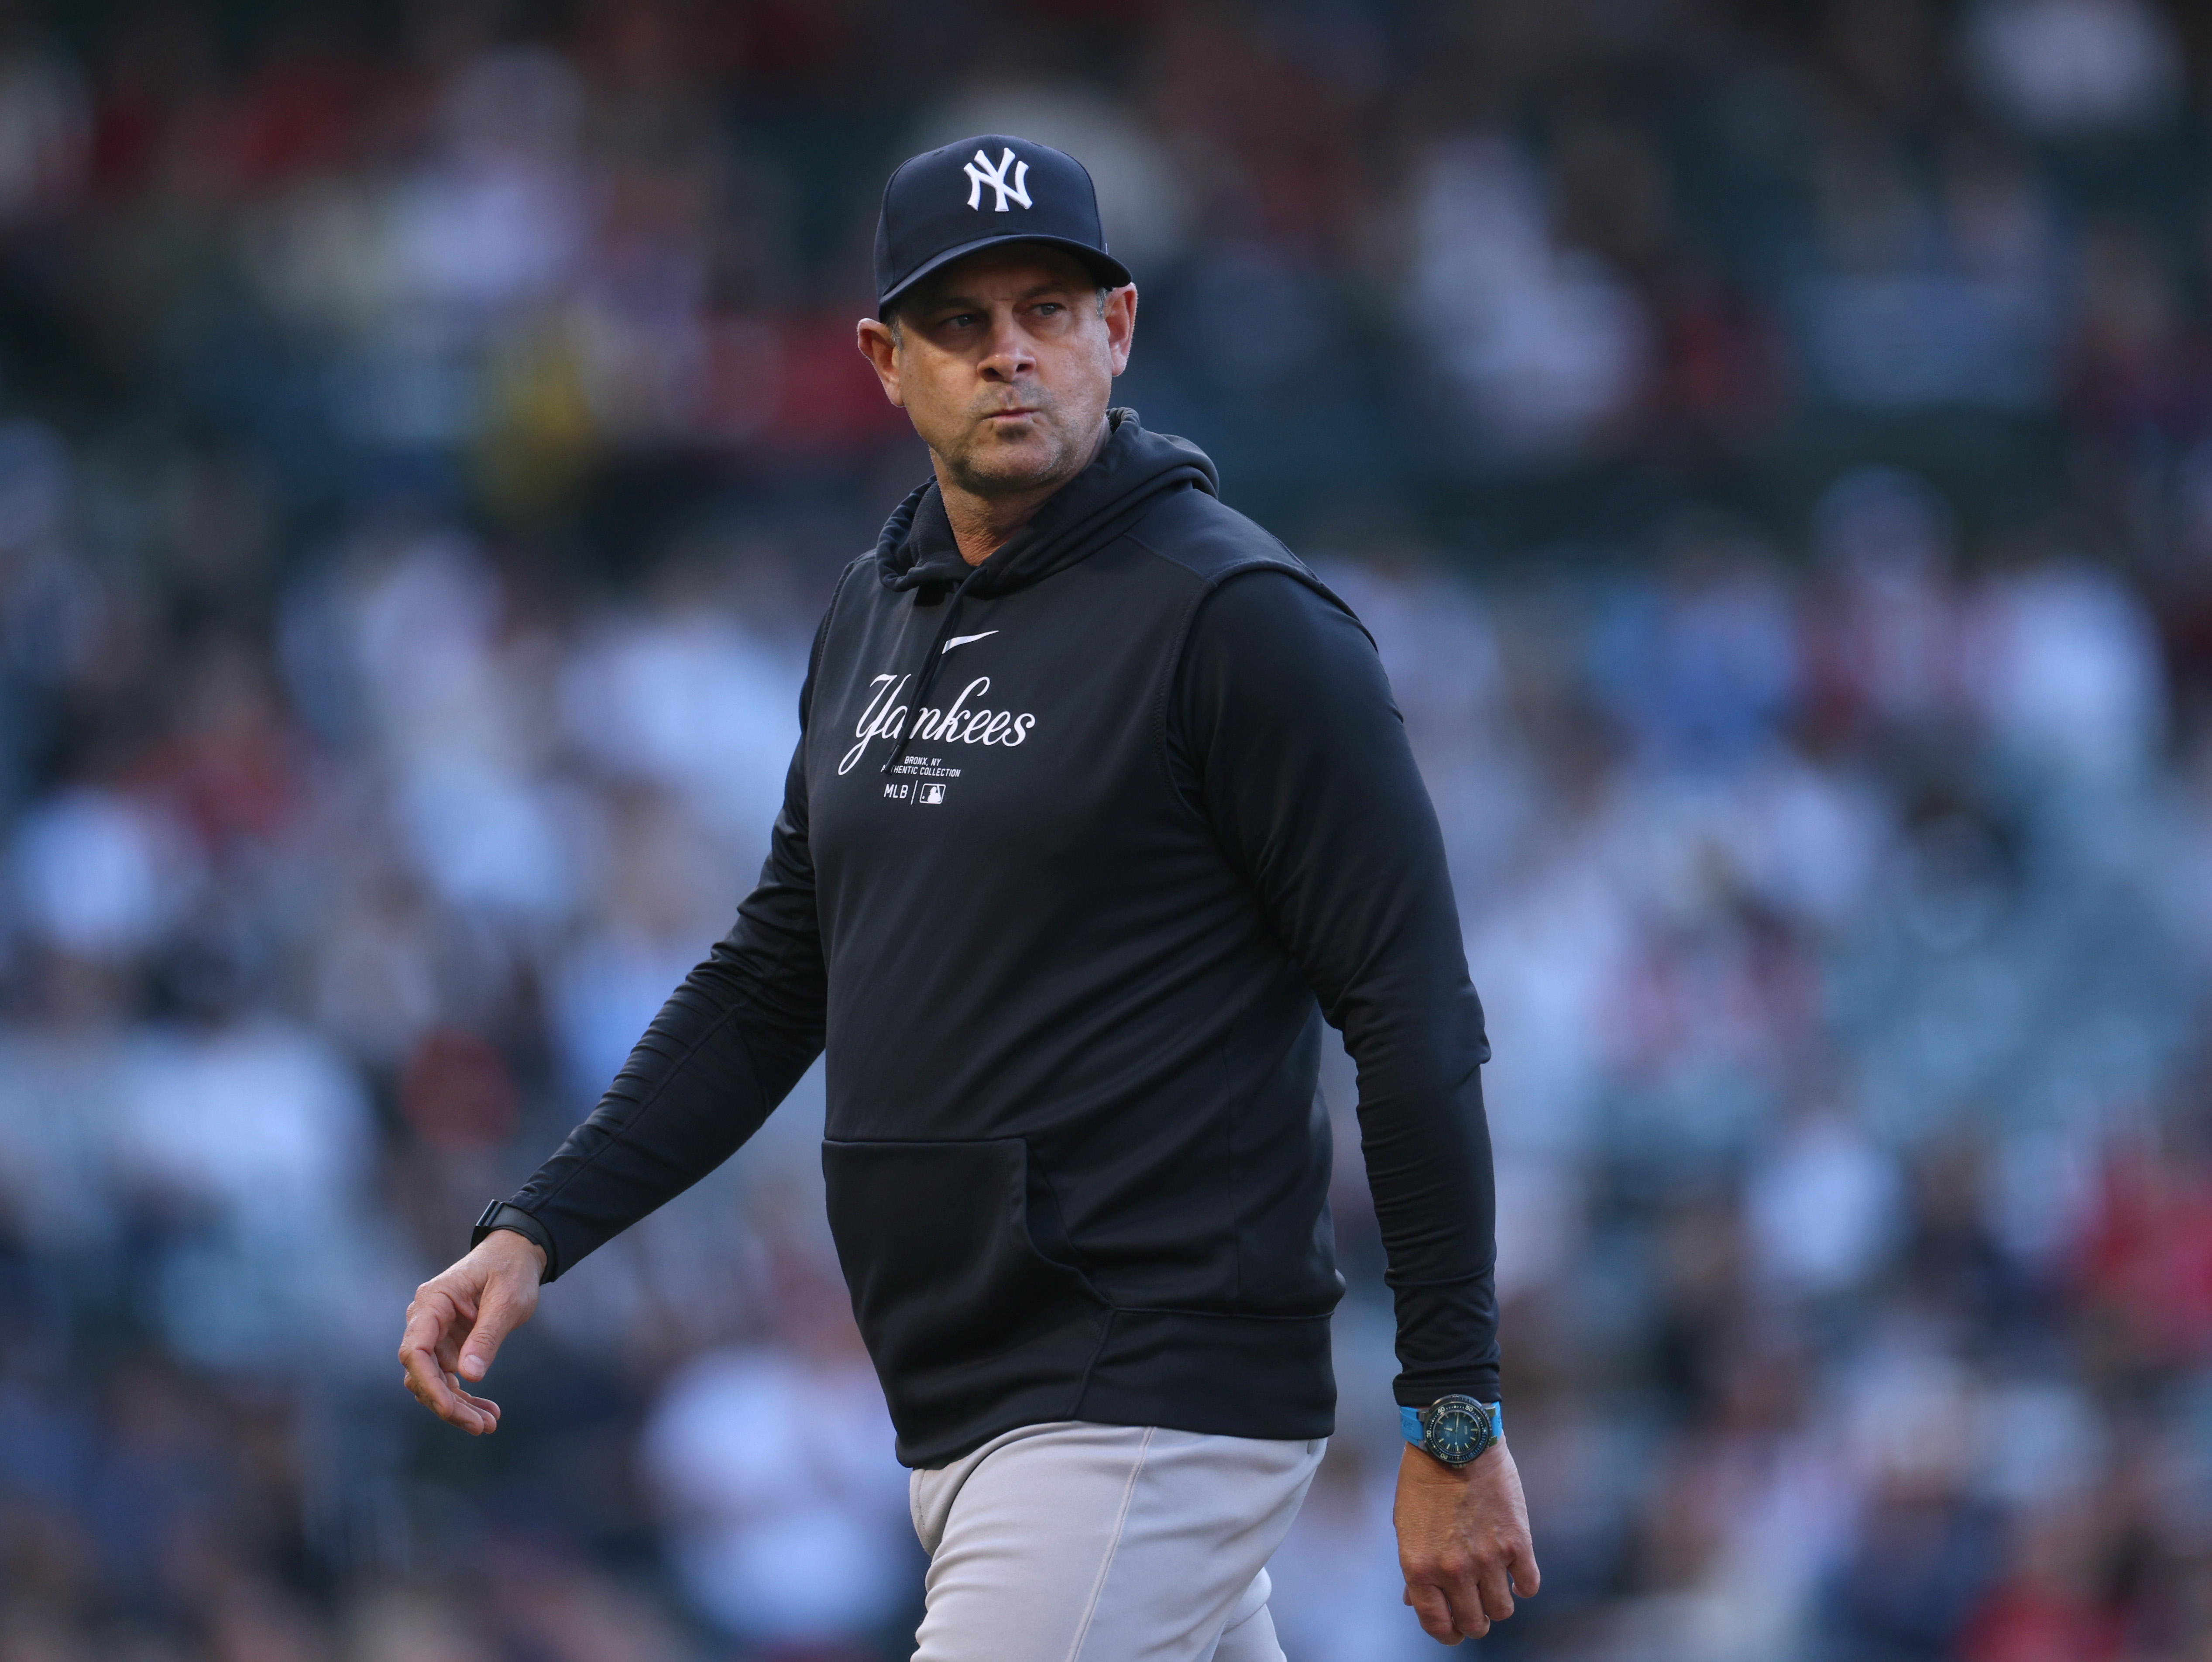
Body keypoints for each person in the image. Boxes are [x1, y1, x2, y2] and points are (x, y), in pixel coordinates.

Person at [398, 133, 1537, 1657]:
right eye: (959, 321)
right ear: (885, 360)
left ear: (1115, 330)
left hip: (1144, 1388)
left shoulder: (1239, 622)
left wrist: (1452, 1410)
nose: (1010, 353)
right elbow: (775, 974)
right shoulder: (873, 610)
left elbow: (1413, 1018)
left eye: (1046, 311)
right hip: (964, 1400)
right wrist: (539, 1226)